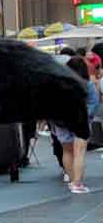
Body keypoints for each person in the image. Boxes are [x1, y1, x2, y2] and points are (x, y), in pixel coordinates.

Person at [49, 56, 98, 194]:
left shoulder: (58, 85)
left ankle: (72, 181)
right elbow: (93, 104)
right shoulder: (87, 85)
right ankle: (78, 183)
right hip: (80, 123)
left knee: (67, 152)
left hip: (61, 123)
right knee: (79, 153)